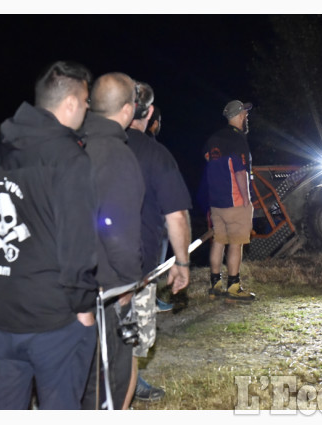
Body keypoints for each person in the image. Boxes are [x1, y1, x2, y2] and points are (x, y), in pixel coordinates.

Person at [0, 61, 99, 409]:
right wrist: (83, 305)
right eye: (86, 101)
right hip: (54, 318)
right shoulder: (69, 157)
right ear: (70, 102)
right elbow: (78, 242)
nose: (88, 109)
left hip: (5, 312)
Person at [123, 82, 192, 405]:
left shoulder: (86, 145)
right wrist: (182, 263)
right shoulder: (155, 153)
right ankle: (125, 391)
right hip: (136, 270)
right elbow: (176, 216)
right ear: (149, 113)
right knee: (131, 340)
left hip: (87, 269)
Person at [80, 72, 144, 410]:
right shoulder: (118, 157)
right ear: (127, 109)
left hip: (68, 289)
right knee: (106, 384)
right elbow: (118, 232)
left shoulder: (74, 144)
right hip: (105, 292)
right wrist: (128, 283)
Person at [203, 100, 256, 302]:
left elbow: (210, 162)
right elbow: (240, 171)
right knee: (236, 244)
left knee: (218, 241)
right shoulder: (238, 140)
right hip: (235, 201)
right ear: (241, 115)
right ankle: (233, 287)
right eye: (245, 113)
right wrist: (247, 200)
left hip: (216, 202)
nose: (247, 116)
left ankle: (215, 284)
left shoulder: (213, 139)